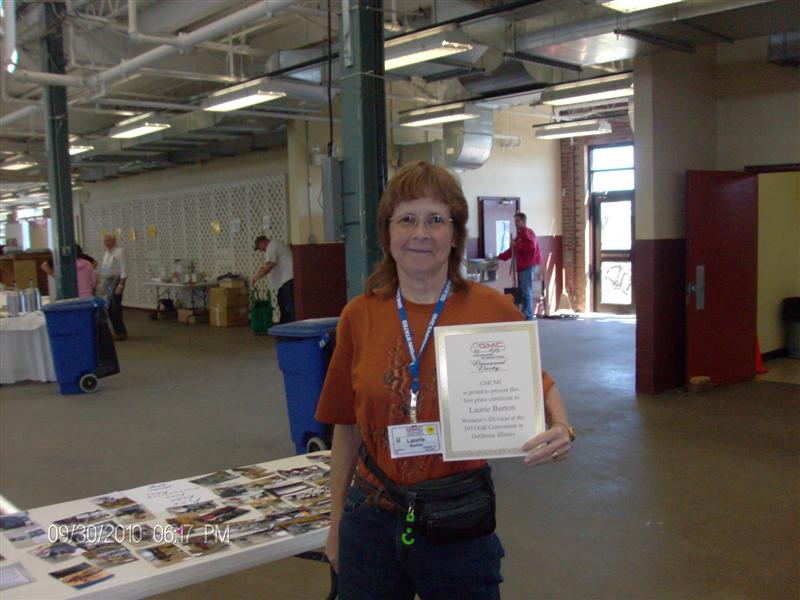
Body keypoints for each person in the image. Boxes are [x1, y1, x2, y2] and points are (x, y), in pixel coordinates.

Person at [315, 161, 573, 599]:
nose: (421, 233)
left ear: (454, 235)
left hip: (459, 522)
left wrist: (562, 427)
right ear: (387, 234)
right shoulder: (359, 315)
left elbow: (540, 385)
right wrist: (336, 525)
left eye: (436, 219)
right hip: (371, 516)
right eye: (407, 219)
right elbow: (346, 429)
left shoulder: (490, 309)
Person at [498, 212, 543, 320]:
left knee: (526, 290)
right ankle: (524, 314)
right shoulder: (519, 234)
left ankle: (528, 316)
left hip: (528, 265)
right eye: (515, 221)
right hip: (523, 266)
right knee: (524, 290)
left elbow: (531, 246)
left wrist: (516, 244)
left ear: (523, 221)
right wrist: (499, 257)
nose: (516, 223)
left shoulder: (528, 232)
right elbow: (512, 251)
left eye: (518, 221)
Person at [252, 235, 295, 324]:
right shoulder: (275, 245)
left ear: (262, 242)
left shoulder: (271, 247)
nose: (260, 251)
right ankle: (285, 325)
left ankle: (289, 326)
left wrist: (256, 277)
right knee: (283, 304)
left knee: (287, 306)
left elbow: (269, 266)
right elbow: (267, 265)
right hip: (285, 280)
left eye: (259, 248)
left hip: (287, 279)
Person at [99, 233, 128, 340]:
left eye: (108, 241)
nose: (106, 243)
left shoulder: (120, 252)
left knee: (115, 308)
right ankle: (117, 331)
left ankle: (121, 331)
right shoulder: (107, 253)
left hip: (116, 280)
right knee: (109, 307)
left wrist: (121, 285)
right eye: (105, 241)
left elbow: (124, 269)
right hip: (107, 281)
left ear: (114, 241)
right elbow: (105, 268)